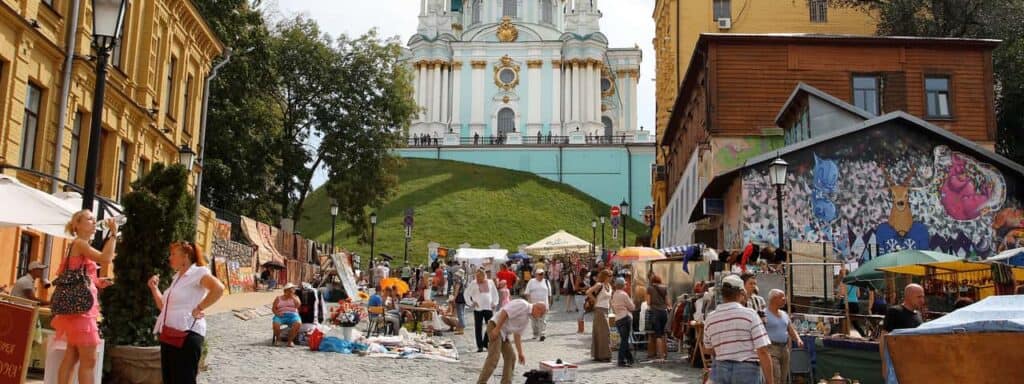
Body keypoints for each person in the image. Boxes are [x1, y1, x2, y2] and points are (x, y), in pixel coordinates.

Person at [53, 210, 117, 384]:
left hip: (76, 310)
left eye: (94, 219)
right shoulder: (80, 243)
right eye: (89, 219)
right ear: (77, 225)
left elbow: (78, 275)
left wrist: (97, 281)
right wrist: (113, 234)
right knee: (89, 360)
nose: (94, 221)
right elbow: (106, 258)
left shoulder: (77, 245)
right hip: (82, 312)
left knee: (72, 356)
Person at [148, 241, 225, 384]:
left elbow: (218, 289)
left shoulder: (198, 272)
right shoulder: (177, 278)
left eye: (173, 254)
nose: (170, 257)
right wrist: (154, 289)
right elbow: (163, 307)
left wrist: (199, 307)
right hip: (169, 335)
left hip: (187, 335)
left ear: (186, 256)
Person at [703, 274, 774, 384]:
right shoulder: (750, 315)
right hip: (747, 371)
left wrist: (725, 350)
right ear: (742, 293)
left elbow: (707, 349)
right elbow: (763, 351)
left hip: (720, 370)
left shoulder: (710, 318)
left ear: (722, 294)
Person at [476, 298, 548, 384]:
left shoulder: (526, 319)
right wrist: (496, 329)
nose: (539, 317)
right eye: (541, 314)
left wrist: (520, 353)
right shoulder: (523, 305)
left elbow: (517, 335)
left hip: (504, 333)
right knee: (494, 358)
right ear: (538, 309)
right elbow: (505, 312)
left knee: (511, 357)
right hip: (495, 325)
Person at [765, 289, 803, 384]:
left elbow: (791, 329)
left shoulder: (784, 314)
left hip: (784, 349)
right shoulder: (763, 314)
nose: (785, 299)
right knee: (775, 377)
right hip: (771, 349)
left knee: (783, 378)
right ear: (773, 299)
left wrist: (798, 339)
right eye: (782, 297)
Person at [464, 269, 499, 352]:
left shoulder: (490, 282)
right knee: (478, 327)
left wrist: (495, 302)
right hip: (478, 308)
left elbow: (494, 293)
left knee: (490, 326)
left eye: (479, 276)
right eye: (476, 276)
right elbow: (466, 293)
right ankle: (479, 346)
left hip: (488, 307)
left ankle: (485, 342)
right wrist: (471, 303)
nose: (478, 278)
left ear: (484, 276)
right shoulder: (473, 283)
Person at [587, 269, 613, 361]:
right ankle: (604, 355)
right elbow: (588, 292)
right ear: (604, 276)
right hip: (599, 310)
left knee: (601, 333)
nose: (611, 277)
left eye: (611, 276)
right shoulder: (599, 284)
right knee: (605, 332)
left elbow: (609, 299)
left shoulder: (609, 286)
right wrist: (595, 300)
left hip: (606, 310)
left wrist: (612, 309)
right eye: (609, 276)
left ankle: (598, 355)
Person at [610, 277, 636, 367]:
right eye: (625, 284)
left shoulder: (614, 294)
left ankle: (630, 359)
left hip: (618, 318)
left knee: (624, 340)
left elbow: (613, 307)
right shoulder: (624, 294)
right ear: (622, 285)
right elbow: (632, 307)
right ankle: (621, 360)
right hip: (625, 318)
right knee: (624, 341)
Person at [647, 273, 672, 361]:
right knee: (664, 334)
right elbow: (668, 302)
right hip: (664, 312)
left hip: (655, 312)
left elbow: (648, 302)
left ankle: (660, 356)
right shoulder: (664, 288)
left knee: (658, 335)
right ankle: (666, 354)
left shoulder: (650, 288)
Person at [525, 269, 551, 341]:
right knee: (534, 320)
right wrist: (530, 303)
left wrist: (549, 304)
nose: (541, 275)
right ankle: (535, 334)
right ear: (536, 274)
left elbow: (549, 294)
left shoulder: (546, 282)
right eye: (539, 274)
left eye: (542, 274)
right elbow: (527, 293)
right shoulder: (531, 281)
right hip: (534, 305)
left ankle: (542, 334)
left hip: (544, 304)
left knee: (543, 320)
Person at [450, 269, 467, 334]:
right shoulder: (463, 281)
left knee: (460, 313)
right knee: (461, 312)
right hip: (463, 297)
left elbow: (456, 291)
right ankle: (460, 327)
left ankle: (461, 328)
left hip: (459, 297)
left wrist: (454, 299)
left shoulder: (458, 281)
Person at [574, 269, 591, 334]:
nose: (587, 274)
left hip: (584, 296)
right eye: (586, 273)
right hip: (579, 296)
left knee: (583, 311)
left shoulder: (585, 279)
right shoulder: (579, 278)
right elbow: (576, 288)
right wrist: (585, 288)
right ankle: (580, 329)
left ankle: (581, 329)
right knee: (581, 311)